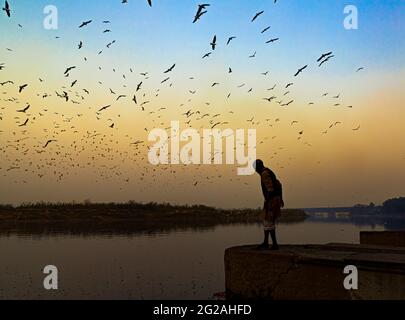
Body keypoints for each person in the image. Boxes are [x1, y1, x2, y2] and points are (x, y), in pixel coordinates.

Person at [253, 159, 284, 250]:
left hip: (272, 199)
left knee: (268, 221)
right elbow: (279, 184)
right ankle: (266, 242)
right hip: (274, 198)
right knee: (267, 221)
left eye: (255, 169)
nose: (255, 171)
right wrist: (281, 198)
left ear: (258, 167)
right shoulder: (268, 171)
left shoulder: (264, 173)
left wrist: (267, 201)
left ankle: (274, 244)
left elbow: (270, 189)